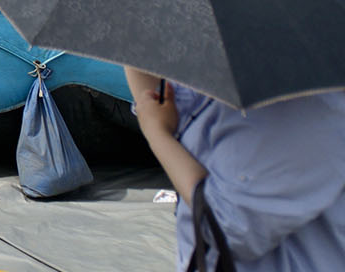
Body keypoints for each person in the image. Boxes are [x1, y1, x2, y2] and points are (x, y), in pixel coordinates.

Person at [122, 67, 345, 271]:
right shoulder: (222, 81)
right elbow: (153, 96)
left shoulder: (306, 106)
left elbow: (227, 225)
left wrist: (158, 135)